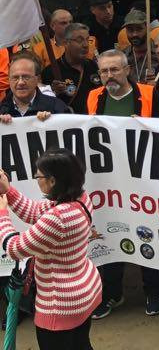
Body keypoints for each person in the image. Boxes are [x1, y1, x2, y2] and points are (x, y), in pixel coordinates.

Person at [0, 149, 101, 350]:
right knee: (81, 345)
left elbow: (14, 248)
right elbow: (34, 211)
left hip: (61, 305)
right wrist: (8, 191)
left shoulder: (59, 218)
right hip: (83, 294)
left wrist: (2, 213)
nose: (37, 179)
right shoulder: (80, 197)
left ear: (53, 181)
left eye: (38, 176)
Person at [87, 50, 159, 319]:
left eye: (114, 70)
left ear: (127, 70)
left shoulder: (150, 94)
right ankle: (112, 294)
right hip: (108, 183)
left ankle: (153, 291)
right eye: (104, 71)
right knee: (110, 234)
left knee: (146, 234)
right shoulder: (94, 97)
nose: (109, 76)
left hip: (143, 181)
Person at [41, 22, 99, 113]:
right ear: (65, 43)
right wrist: (53, 92)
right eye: (79, 40)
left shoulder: (94, 66)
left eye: (87, 40)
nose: (85, 45)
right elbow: (43, 104)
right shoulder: (50, 72)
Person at [0, 53, 69, 120]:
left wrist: (53, 122)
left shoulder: (56, 108)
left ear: (38, 79)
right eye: (15, 77)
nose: (20, 82)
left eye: (26, 77)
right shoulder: (1, 111)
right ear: (9, 79)